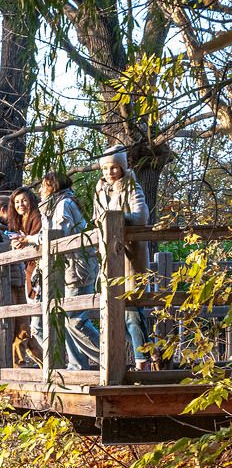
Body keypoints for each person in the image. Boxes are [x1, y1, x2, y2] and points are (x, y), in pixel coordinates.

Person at [16, 171, 99, 370]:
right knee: (66, 318)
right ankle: (77, 365)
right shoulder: (55, 205)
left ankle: (108, 357)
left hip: (76, 268)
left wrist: (30, 239)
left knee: (75, 319)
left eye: (43, 186)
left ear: (53, 186)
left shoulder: (64, 204)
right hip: (66, 268)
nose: (40, 191)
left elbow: (57, 236)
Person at [93, 145, 152, 369]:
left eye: (115, 167)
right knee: (115, 313)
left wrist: (118, 220)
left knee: (131, 310)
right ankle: (151, 351)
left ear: (123, 167)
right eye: (107, 168)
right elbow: (97, 218)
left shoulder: (132, 187)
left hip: (130, 256)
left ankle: (143, 360)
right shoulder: (101, 190)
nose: (110, 172)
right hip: (110, 257)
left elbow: (141, 215)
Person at [9, 187, 43, 357]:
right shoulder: (19, 221)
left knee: (37, 323)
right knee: (35, 323)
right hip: (30, 270)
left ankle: (54, 364)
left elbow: (41, 240)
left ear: (31, 200)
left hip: (41, 269)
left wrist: (25, 243)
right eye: (16, 202)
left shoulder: (37, 216)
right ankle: (50, 363)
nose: (20, 204)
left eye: (23, 200)